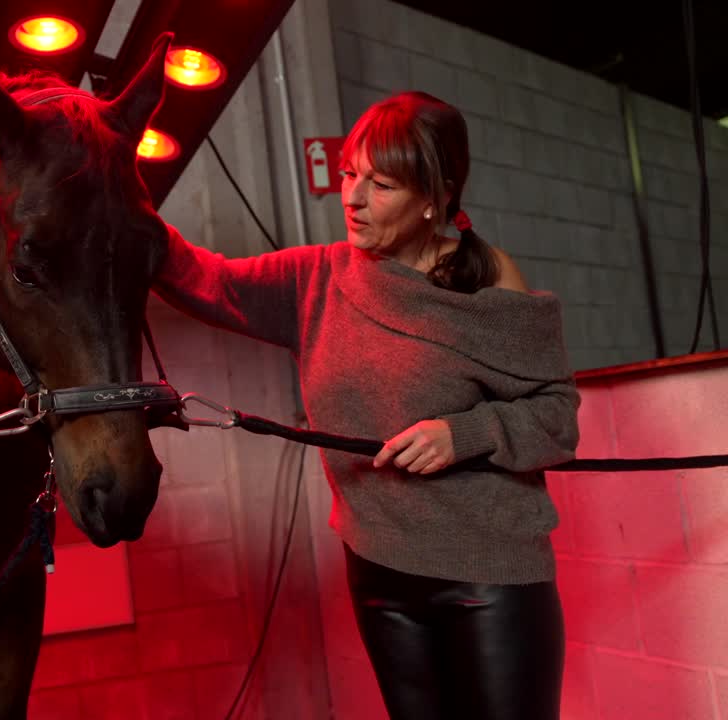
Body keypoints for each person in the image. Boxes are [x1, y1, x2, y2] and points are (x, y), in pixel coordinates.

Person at [155, 91, 579, 719]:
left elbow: (556, 415)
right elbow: (205, 279)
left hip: (490, 578)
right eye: (349, 174)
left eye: (380, 185)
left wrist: (462, 434)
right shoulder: (317, 279)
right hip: (381, 576)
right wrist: (119, 204)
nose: (351, 197)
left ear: (434, 197)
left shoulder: (487, 277)